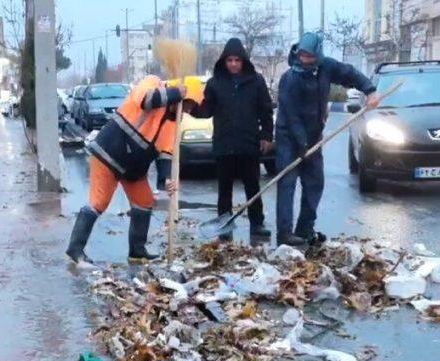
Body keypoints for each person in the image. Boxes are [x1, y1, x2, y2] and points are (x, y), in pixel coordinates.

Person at [66, 75, 204, 265]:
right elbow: (146, 100)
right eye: (188, 105)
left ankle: (137, 252)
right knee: (99, 202)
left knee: (144, 201)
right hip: (109, 154)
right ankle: (75, 250)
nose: (187, 111)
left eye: (190, 108)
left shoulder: (173, 121)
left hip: (134, 167)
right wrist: (173, 93)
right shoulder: (152, 83)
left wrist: (166, 181)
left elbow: (165, 152)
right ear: (181, 97)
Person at [275, 32, 379, 246]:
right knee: (287, 183)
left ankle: (304, 229)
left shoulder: (326, 67)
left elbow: (350, 74)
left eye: (309, 57)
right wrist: (302, 144)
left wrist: (370, 91)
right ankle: (284, 233)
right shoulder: (289, 78)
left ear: (318, 54)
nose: (305, 60)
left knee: (314, 182)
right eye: (302, 56)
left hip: (313, 136)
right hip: (288, 136)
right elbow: (292, 115)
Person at [193, 38, 274, 238]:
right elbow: (206, 110)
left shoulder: (256, 82)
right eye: (230, 60)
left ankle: (257, 223)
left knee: (252, 185)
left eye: (237, 60)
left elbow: (265, 111)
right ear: (224, 61)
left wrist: (266, 136)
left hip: (248, 143)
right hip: (224, 143)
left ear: (243, 61)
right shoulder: (215, 84)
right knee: (224, 188)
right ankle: (225, 224)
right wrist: (191, 108)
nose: (234, 64)